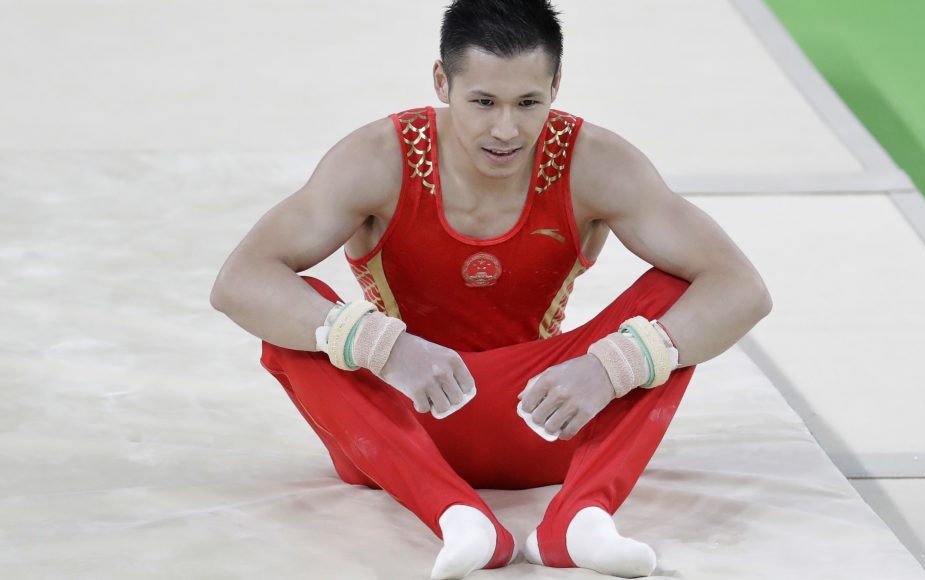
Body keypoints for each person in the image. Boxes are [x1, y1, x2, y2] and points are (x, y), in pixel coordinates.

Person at [210, 0, 772, 578]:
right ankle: (456, 515)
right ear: (441, 82)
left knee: (675, 296)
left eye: (529, 103)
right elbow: (239, 282)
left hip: (546, 418)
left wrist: (611, 367)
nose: (506, 130)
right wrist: (387, 347)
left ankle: (579, 519)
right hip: (398, 424)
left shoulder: (597, 164)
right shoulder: (377, 160)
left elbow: (742, 290)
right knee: (296, 318)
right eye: (483, 102)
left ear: (556, 85)